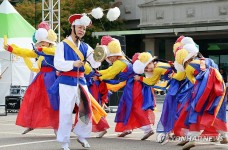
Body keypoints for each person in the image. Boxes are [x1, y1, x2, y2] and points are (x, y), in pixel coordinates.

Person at [52, 14, 105, 150]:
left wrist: (99, 55)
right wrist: (73, 63)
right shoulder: (62, 45)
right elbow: (58, 64)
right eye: (80, 27)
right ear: (73, 27)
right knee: (66, 112)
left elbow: (95, 64)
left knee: (86, 110)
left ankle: (81, 135)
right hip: (66, 81)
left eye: (84, 29)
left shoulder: (86, 46)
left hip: (81, 81)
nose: (82, 30)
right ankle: (64, 142)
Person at [3, 22, 59, 134]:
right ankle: (31, 123)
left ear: (49, 43)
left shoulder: (55, 50)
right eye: (40, 43)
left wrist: (43, 50)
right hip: (40, 78)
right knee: (32, 100)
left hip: (52, 78)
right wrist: (11, 49)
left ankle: (56, 126)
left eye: (44, 42)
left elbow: (53, 52)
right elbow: (26, 52)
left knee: (53, 102)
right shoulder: (39, 51)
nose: (41, 44)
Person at [173, 43, 228, 150]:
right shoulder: (207, 60)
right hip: (218, 88)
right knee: (216, 111)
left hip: (204, 90)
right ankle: (224, 135)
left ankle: (191, 138)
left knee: (195, 110)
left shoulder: (189, 67)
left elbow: (194, 82)